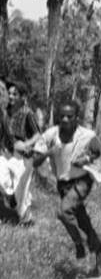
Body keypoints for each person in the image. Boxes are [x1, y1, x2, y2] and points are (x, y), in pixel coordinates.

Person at [32, 101, 101, 279]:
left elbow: (99, 151)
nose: (65, 119)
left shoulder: (87, 135)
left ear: (77, 118)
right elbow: (35, 161)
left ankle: (81, 250)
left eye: (69, 116)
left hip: (82, 180)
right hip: (63, 183)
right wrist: (50, 152)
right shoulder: (51, 134)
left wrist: (87, 158)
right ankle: (99, 250)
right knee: (81, 220)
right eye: (62, 116)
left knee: (64, 212)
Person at [1, 80, 41, 224]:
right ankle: (10, 195)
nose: (11, 96)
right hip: (8, 153)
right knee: (2, 179)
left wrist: (26, 144)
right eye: (10, 93)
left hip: (24, 158)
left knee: (21, 193)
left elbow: (37, 134)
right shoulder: (6, 112)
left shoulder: (27, 113)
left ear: (23, 97)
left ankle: (26, 220)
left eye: (15, 94)